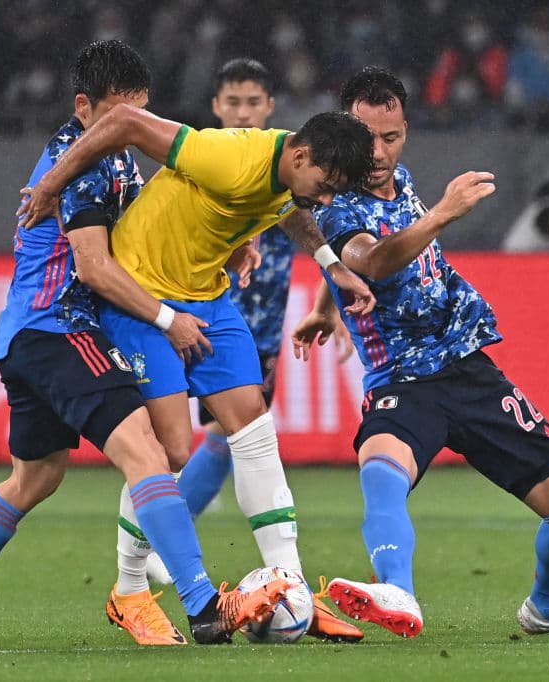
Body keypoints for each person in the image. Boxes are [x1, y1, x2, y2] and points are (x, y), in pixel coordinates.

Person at [0, 40, 289, 649]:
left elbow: (143, 229)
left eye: (137, 113)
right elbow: (92, 266)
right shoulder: (84, 161)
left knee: (33, 480)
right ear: (84, 107)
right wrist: (167, 320)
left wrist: (226, 243)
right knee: (150, 452)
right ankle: (203, 605)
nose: (128, 127)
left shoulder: (114, 156)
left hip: (24, 337)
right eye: (116, 115)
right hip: (62, 329)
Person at [16, 76, 377, 645]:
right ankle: (130, 590)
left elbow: (294, 211)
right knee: (171, 451)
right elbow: (126, 124)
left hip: (206, 296)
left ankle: (294, 589)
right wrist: (52, 185)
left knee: (254, 428)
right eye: (324, 185)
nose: (325, 198)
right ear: (300, 155)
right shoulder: (228, 155)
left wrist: (331, 265)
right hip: (140, 297)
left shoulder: (295, 177)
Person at [291, 66, 549, 638]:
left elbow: (358, 261)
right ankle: (397, 589)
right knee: (381, 470)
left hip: (467, 367)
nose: (377, 151)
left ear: (405, 132)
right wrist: (442, 213)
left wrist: (326, 303)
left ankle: (548, 608)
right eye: (364, 136)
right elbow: (369, 259)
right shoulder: (334, 201)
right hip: (401, 378)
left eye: (390, 137)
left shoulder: (401, 180)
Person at [164, 57, 353, 557]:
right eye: (233, 102)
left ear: (270, 107)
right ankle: (159, 542)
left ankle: (165, 540)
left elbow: (312, 230)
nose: (243, 112)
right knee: (190, 439)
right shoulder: (210, 162)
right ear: (215, 107)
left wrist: (334, 303)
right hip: (195, 314)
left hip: (261, 329)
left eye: (253, 103)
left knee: (222, 438)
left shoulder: (294, 172)